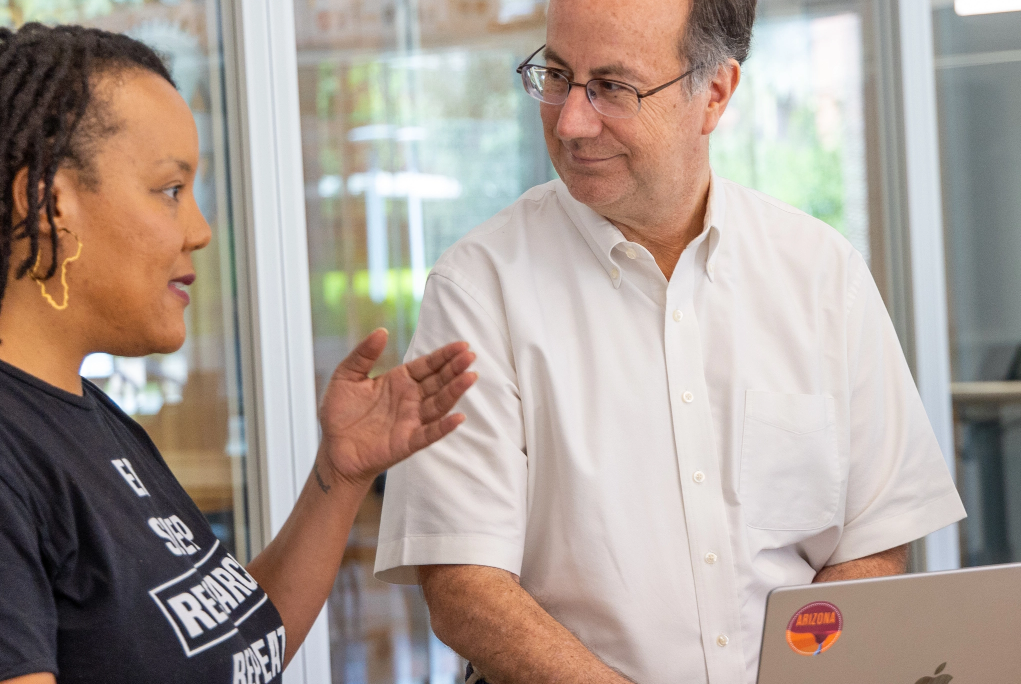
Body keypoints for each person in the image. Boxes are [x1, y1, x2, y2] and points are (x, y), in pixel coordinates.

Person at [0, 24, 477, 684]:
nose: (199, 229)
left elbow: (230, 652)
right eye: (170, 190)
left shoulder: (79, 411)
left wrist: (340, 475)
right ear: (46, 202)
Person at [370, 0, 967, 680]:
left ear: (713, 94)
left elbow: (876, 538)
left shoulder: (822, 274)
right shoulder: (479, 288)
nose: (570, 120)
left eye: (613, 88)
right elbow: (464, 587)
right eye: (558, 75)